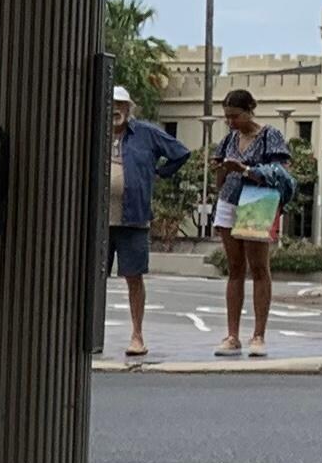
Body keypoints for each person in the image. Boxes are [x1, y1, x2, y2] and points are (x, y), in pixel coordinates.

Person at [106, 86, 191, 361]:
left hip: (134, 218)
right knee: (92, 280)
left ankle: (137, 335)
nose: (116, 110)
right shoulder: (93, 130)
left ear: (129, 109)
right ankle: (89, 336)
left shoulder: (145, 132)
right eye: (111, 104)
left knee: (134, 277)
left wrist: (159, 172)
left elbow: (180, 152)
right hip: (97, 221)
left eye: (121, 105)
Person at [208, 88, 293, 360]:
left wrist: (246, 170)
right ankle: (232, 335)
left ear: (249, 110)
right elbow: (219, 181)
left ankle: (259, 334)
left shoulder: (270, 136)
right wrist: (220, 169)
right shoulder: (229, 139)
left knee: (258, 267)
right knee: (234, 267)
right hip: (229, 200)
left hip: (257, 201)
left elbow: (282, 172)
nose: (231, 122)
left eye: (235, 116)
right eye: (227, 118)